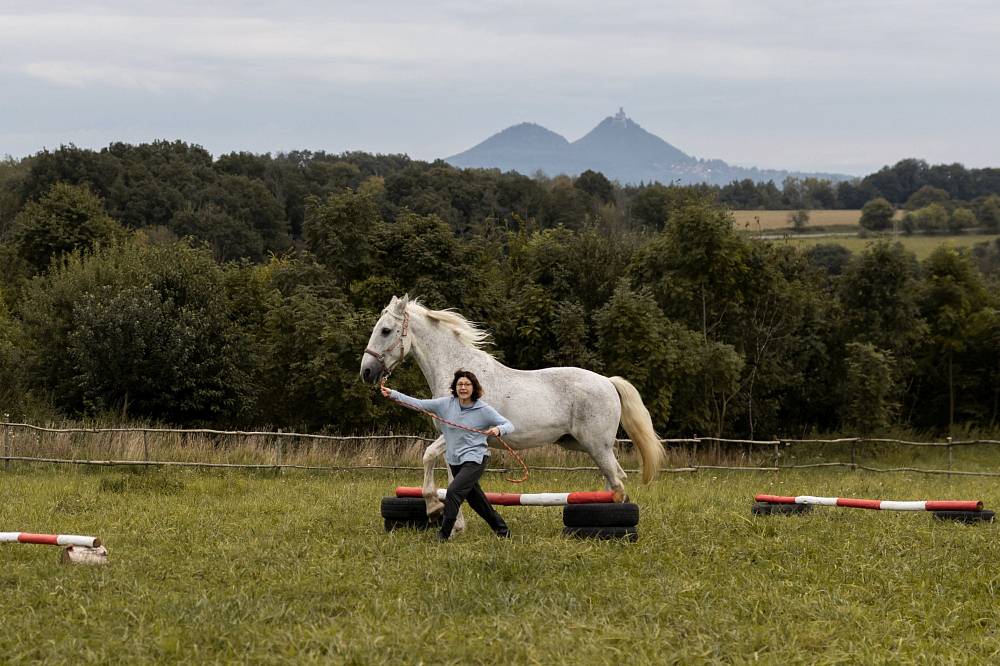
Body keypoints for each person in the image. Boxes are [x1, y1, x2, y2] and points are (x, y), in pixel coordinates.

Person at [381, 369, 514, 541]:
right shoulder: (445, 405)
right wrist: (393, 394)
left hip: (475, 459)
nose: (463, 387)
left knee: (453, 492)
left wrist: (498, 429)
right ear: (455, 387)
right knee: (477, 501)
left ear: (474, 388)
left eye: (467, 384)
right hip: (454, 460)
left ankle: (443, 535)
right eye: (460, 384)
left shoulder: (483, 409)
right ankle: (503, 532)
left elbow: (509, 425)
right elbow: (418, 403)